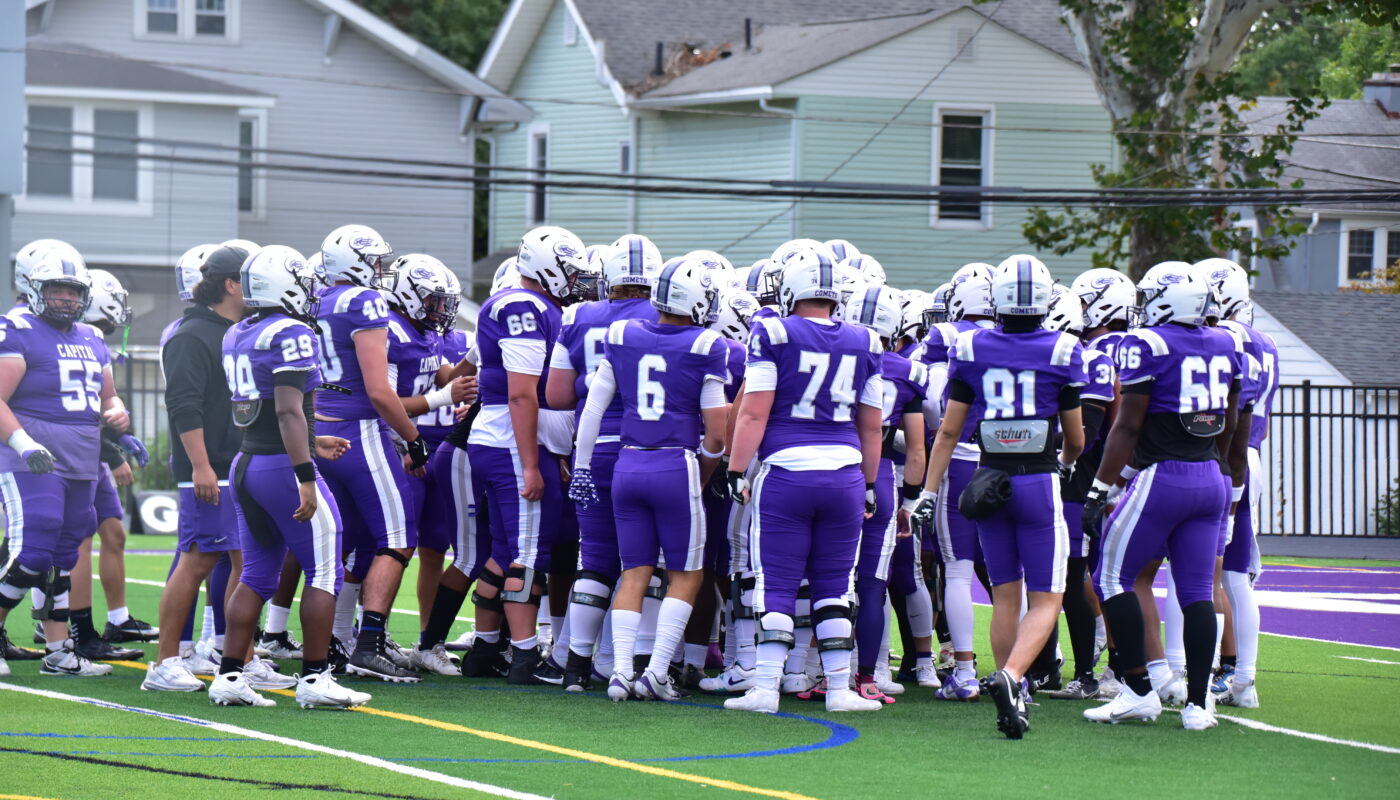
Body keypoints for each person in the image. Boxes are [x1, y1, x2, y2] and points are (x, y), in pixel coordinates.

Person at [912, 255, 1085, 739]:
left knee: (1005, 595)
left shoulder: (970, 346)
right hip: (1038, 482)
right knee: (1047, 597)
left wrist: (927, 492)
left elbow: (947, 432)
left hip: (988, 482)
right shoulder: (1063, 349)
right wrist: (1067, 465)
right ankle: (1012, 678)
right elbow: (1075, 437)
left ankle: (1015, 687)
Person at [1083, 261, 1244, 731]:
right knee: (1196, 591)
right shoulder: (1228, 342)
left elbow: (1128, 424)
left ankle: (1137, 690)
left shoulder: (1147, 343)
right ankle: (1198, 705)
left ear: (1166, 301)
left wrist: (1101, 487)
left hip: (1165, 478)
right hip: (1210, 475)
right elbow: (1232, 425)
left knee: (1110, 576)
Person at [723, 250, 886, 715]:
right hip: (846, 475)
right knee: (836, 584)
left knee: (776, 583)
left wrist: (736, 470)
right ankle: (838, 690)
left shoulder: (773, 332)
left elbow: (754, 411)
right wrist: (871, 483)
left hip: (788, 473)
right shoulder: (865, 341)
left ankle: (766, 688)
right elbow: (871, 426)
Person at [213, 244, 367, 709]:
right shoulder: (292, 330)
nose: (309, 291)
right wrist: (305, 473)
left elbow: (264, 410)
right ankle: (316, 678)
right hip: (281, 465)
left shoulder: (237, 331)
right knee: (325, 570)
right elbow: (286, 408)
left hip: (247, 462)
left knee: (257, 574)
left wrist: (310, 442)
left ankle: (230, 675)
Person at [569, 255, 729, 701]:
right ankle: (656, 671)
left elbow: (593, 411)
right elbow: (716, 431)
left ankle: (620, 673)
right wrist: (704, 469)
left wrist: (583, 468)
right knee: (686, 574)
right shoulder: (706, 345)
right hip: (675, 463)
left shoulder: (623, 334)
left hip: (626, 464)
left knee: (633, 571)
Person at [465, 225, 590, 684]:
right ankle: (525, 657)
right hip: (510, 440)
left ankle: (483, 650)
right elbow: (522, 394)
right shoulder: (524, 305)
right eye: (569, 271)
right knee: (528, 553)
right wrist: (532, 462)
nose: (574, 280)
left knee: (503, 550)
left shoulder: (519, 304)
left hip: (496, 438)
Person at [0, 254, 124, 678]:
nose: (67, 298)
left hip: (81, 459)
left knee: (64, 553)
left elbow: (108, 397)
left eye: (73, 290)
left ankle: (58, 650)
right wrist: (23, 443)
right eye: (57, 288)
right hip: (32, 458)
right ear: (34, 288)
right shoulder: (17, 329)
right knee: (34, 548)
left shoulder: (91, 335)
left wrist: (119, 417)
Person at [547, 234, 662, 691]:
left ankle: (573, 667)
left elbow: (555, 395)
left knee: (593, 556)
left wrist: (590, 386)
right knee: (643, 560)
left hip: (591, 446)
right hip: (645, 448)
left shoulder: (577, 315)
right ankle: (628, 660)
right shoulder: (661, 317)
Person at [313, 224, 425, 683]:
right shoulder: (364, 302)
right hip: (360, 431)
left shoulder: (315, 299)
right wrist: (412, 437)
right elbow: (380, 391)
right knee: (398, 538)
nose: (380, 271)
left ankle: (337, 639)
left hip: (320, 430)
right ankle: (369, 642)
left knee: (348, 538)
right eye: (375, 261)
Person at [143, 245, 251, 692]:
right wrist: (202, 465)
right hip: (210, 468)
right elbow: (183, 405)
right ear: (229, 284)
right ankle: (166, 661)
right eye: (250, 279)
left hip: (241, 463)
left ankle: (239, 658)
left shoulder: (237, 330)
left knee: (248, 563)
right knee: (197, 560)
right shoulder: (191, 334)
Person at [375, 254, 476, 675]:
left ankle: (424, 640)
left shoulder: (435, 336)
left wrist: (473, 376)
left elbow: (446, 377)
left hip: (432, 453)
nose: (441, 310)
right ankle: (354, 635)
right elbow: (386, 401)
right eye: (434, 301)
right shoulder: (389, 332)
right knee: (386, 546)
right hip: (399, 450)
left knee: (430, 547)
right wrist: (443, 400)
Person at [914, 263, 997, 702]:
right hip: (1015, 462)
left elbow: (933, 406)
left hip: (962, 458)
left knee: (959, 572)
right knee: (1010, 575)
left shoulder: (950, 339)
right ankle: (1024, 667)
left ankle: (964, 670)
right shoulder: (1023, 340)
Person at [843, 285, 929, 702]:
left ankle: (811, 671)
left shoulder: (837, 352)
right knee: (873, 584)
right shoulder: (907, 371)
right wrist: (910, 502)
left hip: (836, 469)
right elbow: (916, 448)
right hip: (883, 478)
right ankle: (871, 673)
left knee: (828, 579)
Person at [63, 270, 152, 664]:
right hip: (68, 454)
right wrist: (112, 454)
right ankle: (67, 626)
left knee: (112, 533)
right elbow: (67, 411)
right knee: (68, 543)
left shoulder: (91, 340)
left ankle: (116, 620)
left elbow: (102, 404)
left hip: (89, 449)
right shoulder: (65, 340)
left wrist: (116, 437)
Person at [1203, 257, 1277, 709]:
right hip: (1252, 455)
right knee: (1235, 575)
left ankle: (1203, 671)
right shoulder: (1265, 341)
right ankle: (1243, 678)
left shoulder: (1224, 338)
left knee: (1206, 573)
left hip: (1224, 454)